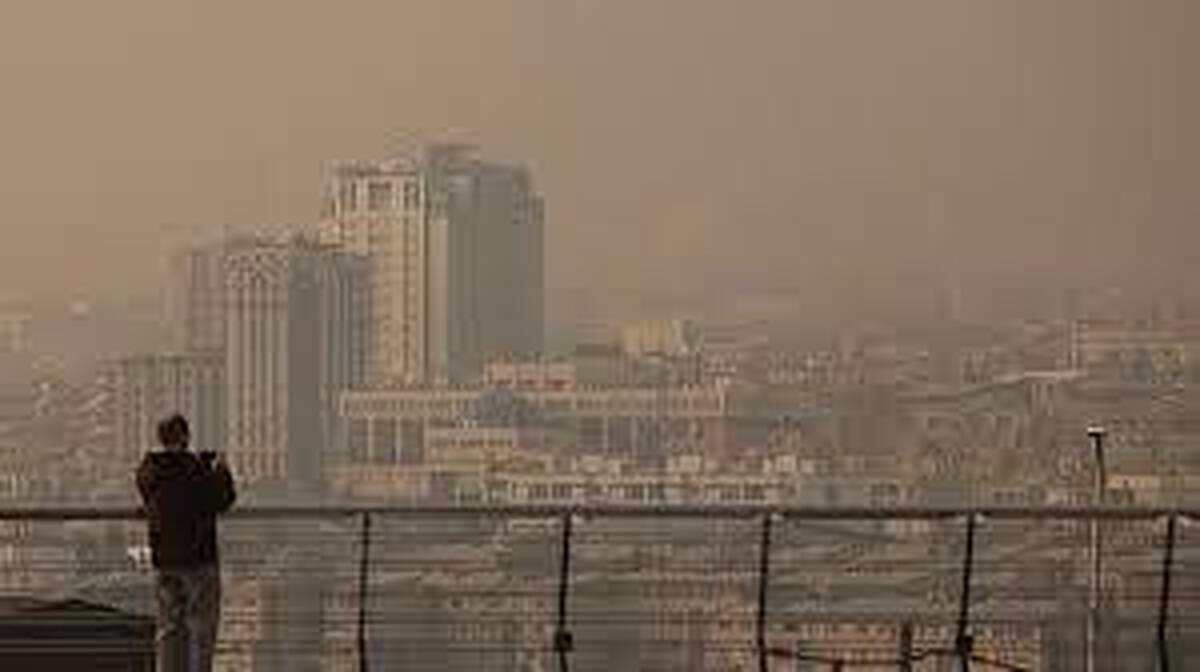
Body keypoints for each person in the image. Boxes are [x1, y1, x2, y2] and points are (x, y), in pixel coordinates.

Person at [136, 414, 236, 672]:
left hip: (164, 560)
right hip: (199, 560)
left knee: (169, 629)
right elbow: (223, 499)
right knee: (201, 630)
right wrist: (221, 469)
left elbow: (155, 489)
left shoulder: (149, 471)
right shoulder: (195, 471)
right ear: (185, 437)